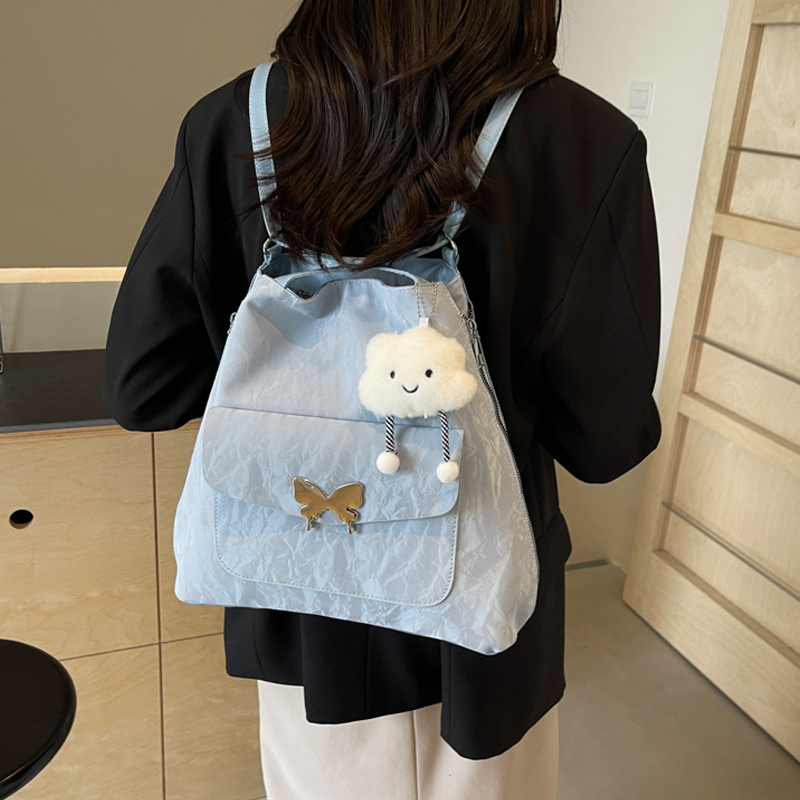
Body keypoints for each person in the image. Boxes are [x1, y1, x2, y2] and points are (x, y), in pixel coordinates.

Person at [103, 0, 661, 797]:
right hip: (475, 629)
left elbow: (143, 389)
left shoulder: (235, 121)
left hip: (300, 604)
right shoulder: (582, 137)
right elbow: (604, 442)